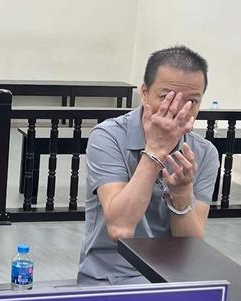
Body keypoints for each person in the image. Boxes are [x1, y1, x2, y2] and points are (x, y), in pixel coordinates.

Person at [78, 45, 219, 285]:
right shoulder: (108, 137)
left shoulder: (204, 153)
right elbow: (120, 229)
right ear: (144, 93)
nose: (178, 110)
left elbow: (192, 246)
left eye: (192, 101)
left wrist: (181, 194)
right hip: (113, 274)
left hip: (174, 277)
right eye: (167, 98)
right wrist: (156, 151)